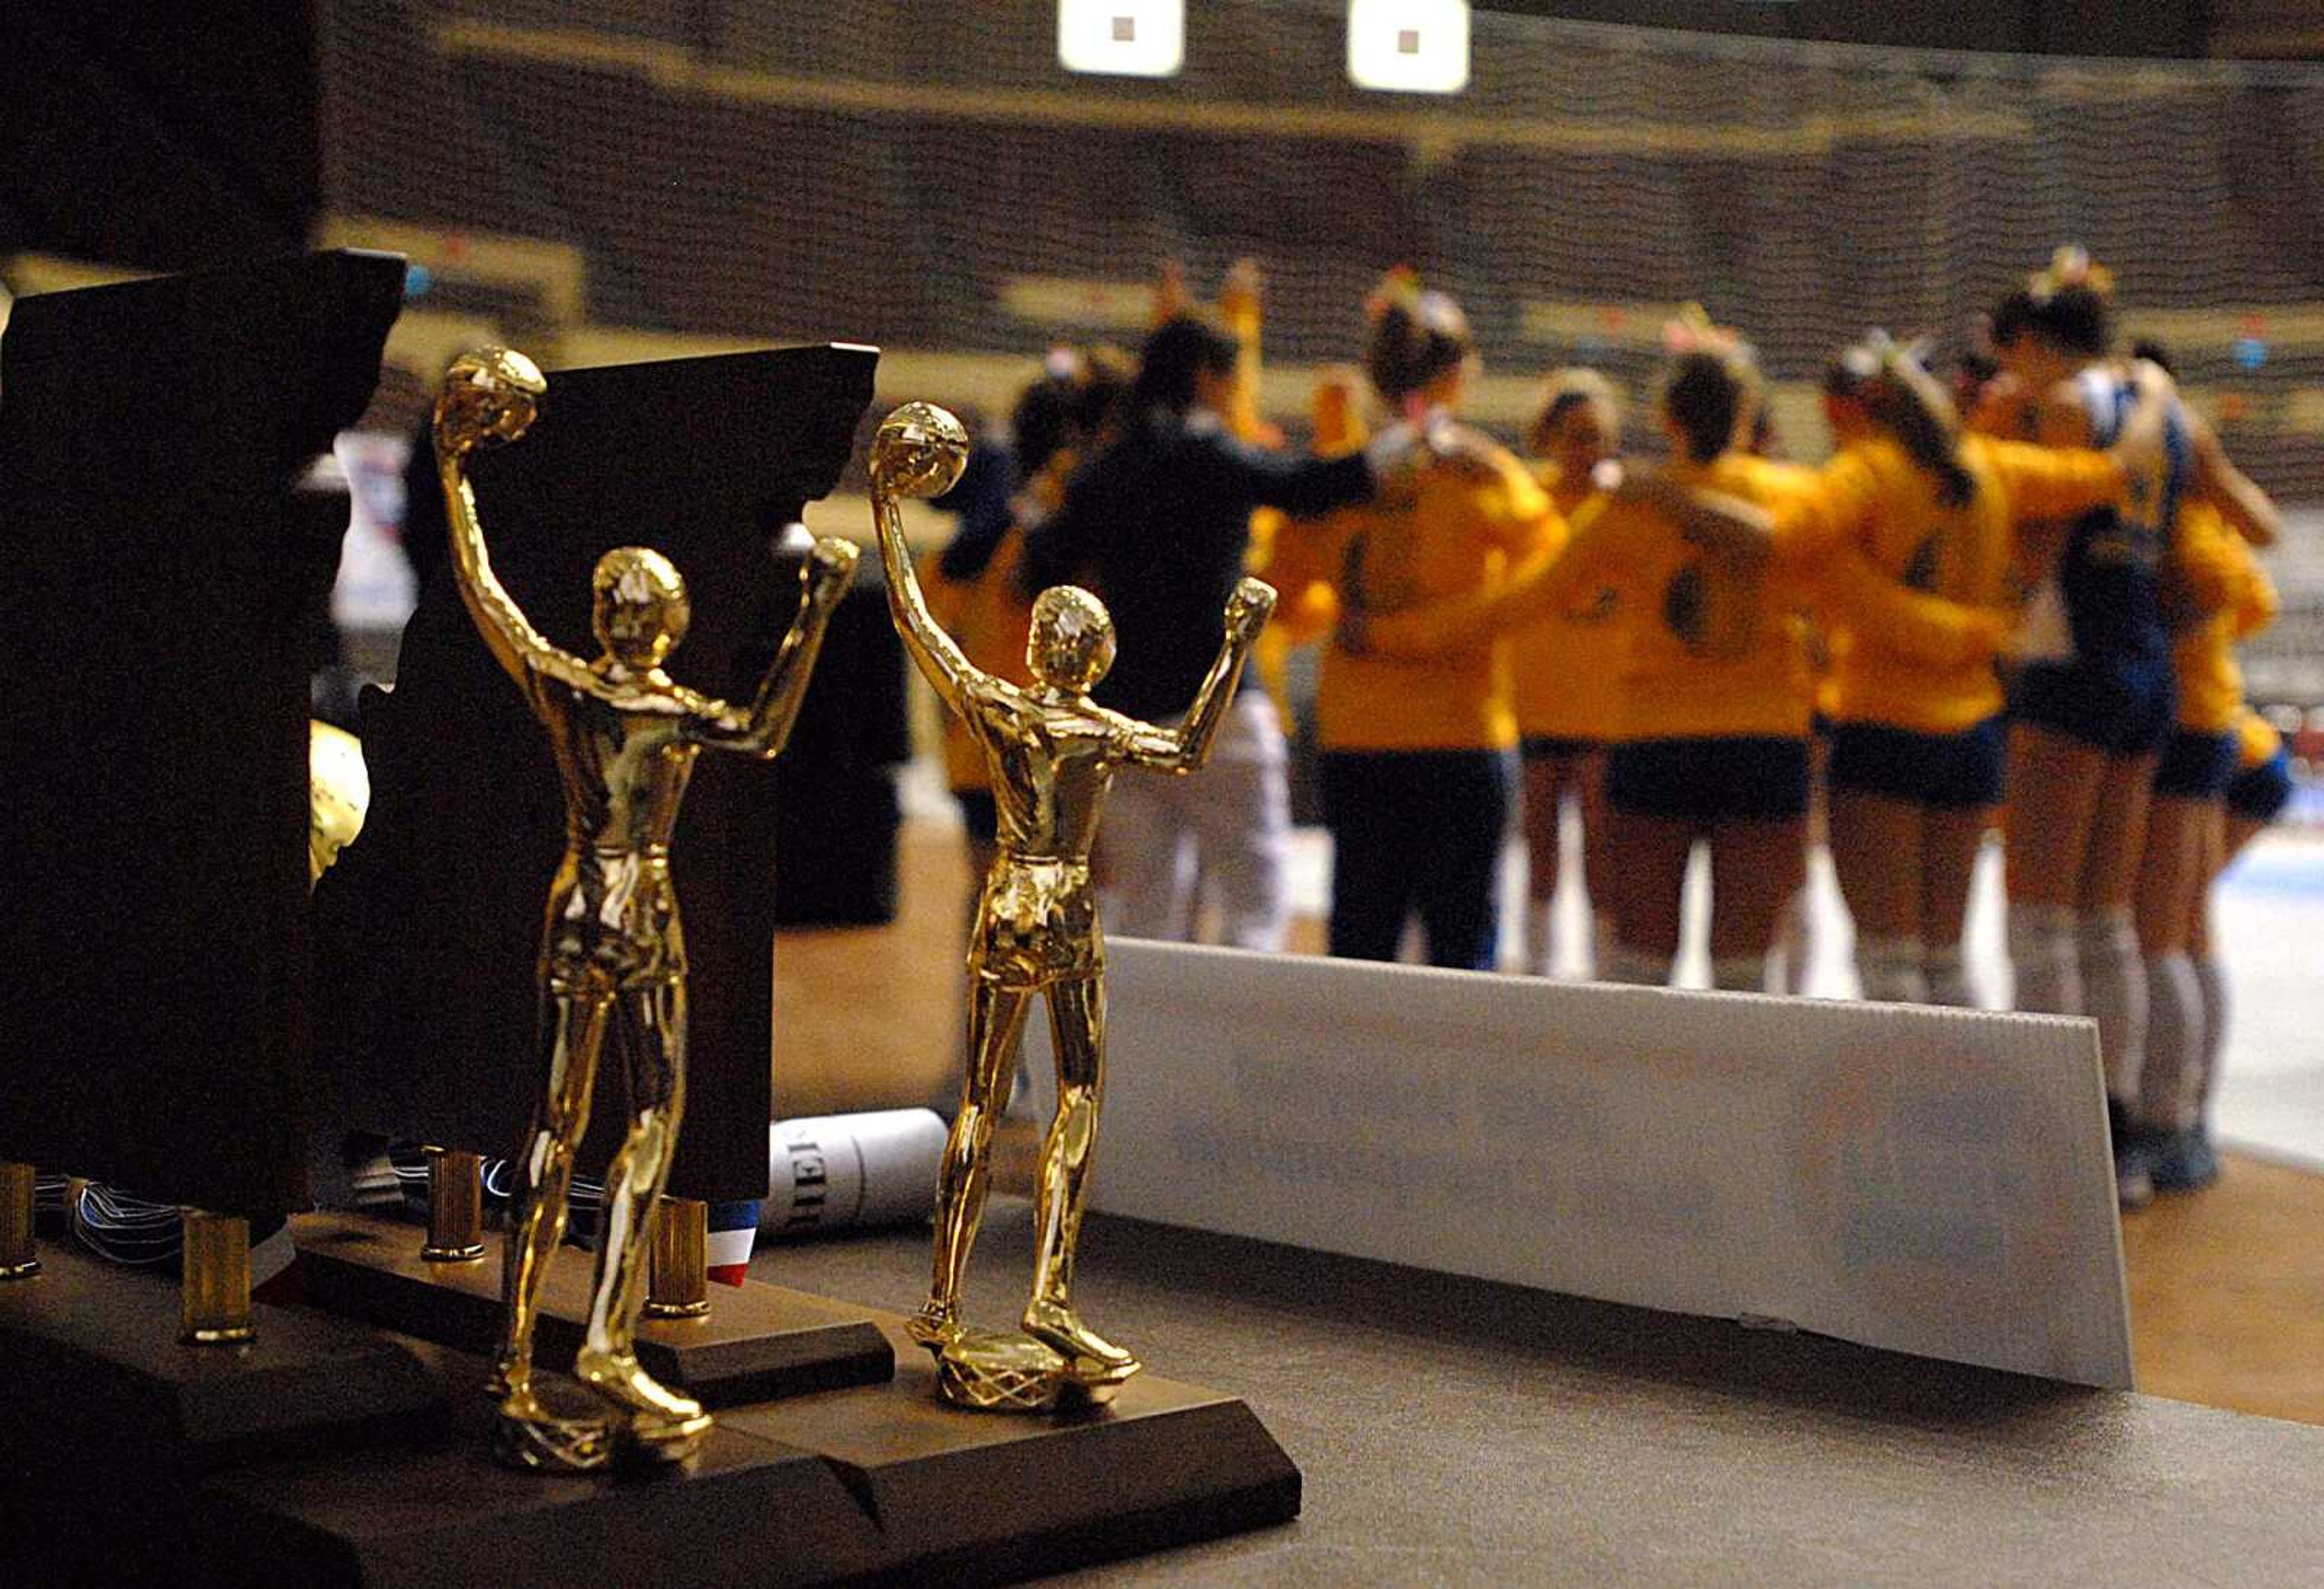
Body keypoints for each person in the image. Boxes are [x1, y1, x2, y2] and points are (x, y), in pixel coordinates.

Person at [436, 347, 861, 1470]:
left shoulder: (570, 685)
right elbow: (765, 731)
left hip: (584, 902)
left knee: (560, 1125)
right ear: (666, 622)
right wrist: (814, 605)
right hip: (648, 909)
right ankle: (595, 1346)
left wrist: (453, 472)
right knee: (643, 1128)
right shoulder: (668, 707)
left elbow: (485, 590)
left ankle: (534, 1357)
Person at [873, 401, 1275, 1395]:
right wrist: (1233, 643)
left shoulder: (1001, 704)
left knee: (979, 1098)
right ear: (1093, 657)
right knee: (1079, 1097)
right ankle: (1048, 1291)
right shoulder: (1097, 729)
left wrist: (887, 510)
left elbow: (913, 620)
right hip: (1065, 914)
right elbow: (1186, 748)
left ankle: (946, 1295)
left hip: (1006, 899)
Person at [1986, 248, 2277, 1202]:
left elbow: (2036, 556)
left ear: (2036, 343)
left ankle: (2062, 1141)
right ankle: (2125, 1139)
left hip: (2072, 665)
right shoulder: (2171, 417)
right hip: (2146, 668)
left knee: (2040, 918)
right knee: (2112, 924)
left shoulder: (2070, 408)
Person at [1023, 310, 1413, 952]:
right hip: (1218, 707)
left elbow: (1046, 562)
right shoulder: (1207, 451)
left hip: (1121, 715)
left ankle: (1137, 1050)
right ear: (1206, 376)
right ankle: (1238, 1050)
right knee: (1255, 899)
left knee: (1146, 907)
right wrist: (1396, 446)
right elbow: (1304, 487)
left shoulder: (1106, 468)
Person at [1804, 332, 2151, 1007]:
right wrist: (2155, 394)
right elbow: (2116, 470)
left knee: (1887, 961)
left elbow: (1790, 538)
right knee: (1947, 960)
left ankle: (1896, 1114)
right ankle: (1957, 1109)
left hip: (1885, 725)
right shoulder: (1995, 466)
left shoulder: (1866, 473)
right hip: (1971, 734)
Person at [1264, 272, 1557, 970]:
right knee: (1462, 952)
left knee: (1361, 945)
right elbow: (1552, 565)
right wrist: (1440, 630)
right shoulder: (1481, 474)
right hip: (1461, 735)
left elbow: (1281, 591)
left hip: (1361, 740)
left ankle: (1357, 1084)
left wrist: (1359, 618)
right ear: (1458, 376)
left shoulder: (1342, 477)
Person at [2136, 502, 2277, 1193]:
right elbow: (2256, 602)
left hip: (2200, 741)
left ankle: (2175, 1123)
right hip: (2229, 739)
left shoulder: (2170, 518)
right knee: (2182, 931)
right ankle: (2186, 1121)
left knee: (2166, 933)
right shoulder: (2200, 517)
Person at [1511, 369, 1627, 977]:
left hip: (1603, 708)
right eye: (1577, 436)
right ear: (1550, 438)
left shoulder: (1625, 506)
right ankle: (1537, 967)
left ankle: (1603, 969)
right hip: (1536, 700)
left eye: (1599, 438)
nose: (1589, 451)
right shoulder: (1528, 499)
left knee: (1604, 849)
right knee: (1539, 845)